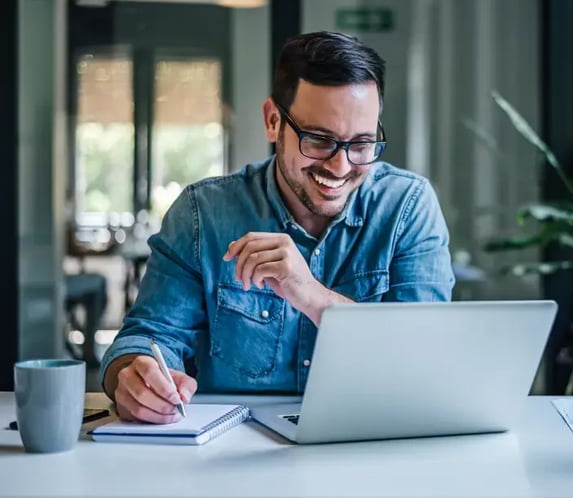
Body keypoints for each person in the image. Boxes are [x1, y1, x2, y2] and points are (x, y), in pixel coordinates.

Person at [100, 31, 455, 424]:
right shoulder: (204, 213)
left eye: (361, 144)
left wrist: (312, 296)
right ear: (273, 121)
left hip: (370, 444)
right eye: (319, 140)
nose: (340, 166)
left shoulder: (407, 207)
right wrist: (133, 377)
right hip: (233, 454)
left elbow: (424, 358)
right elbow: (149, 335)